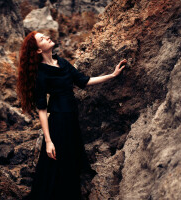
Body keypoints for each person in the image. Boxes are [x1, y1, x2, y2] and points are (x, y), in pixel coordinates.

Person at [16, 31, 127, 200]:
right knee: (57, 166)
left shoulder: (62, 62)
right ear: (38, 50)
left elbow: (84, 81)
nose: (47, 37)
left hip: (72, 119)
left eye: (45, 35)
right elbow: (42, 109)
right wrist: (48, 141)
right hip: (58, 122)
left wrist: (112, 75)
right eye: (41, 39)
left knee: (71, 163)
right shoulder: (41, 73)